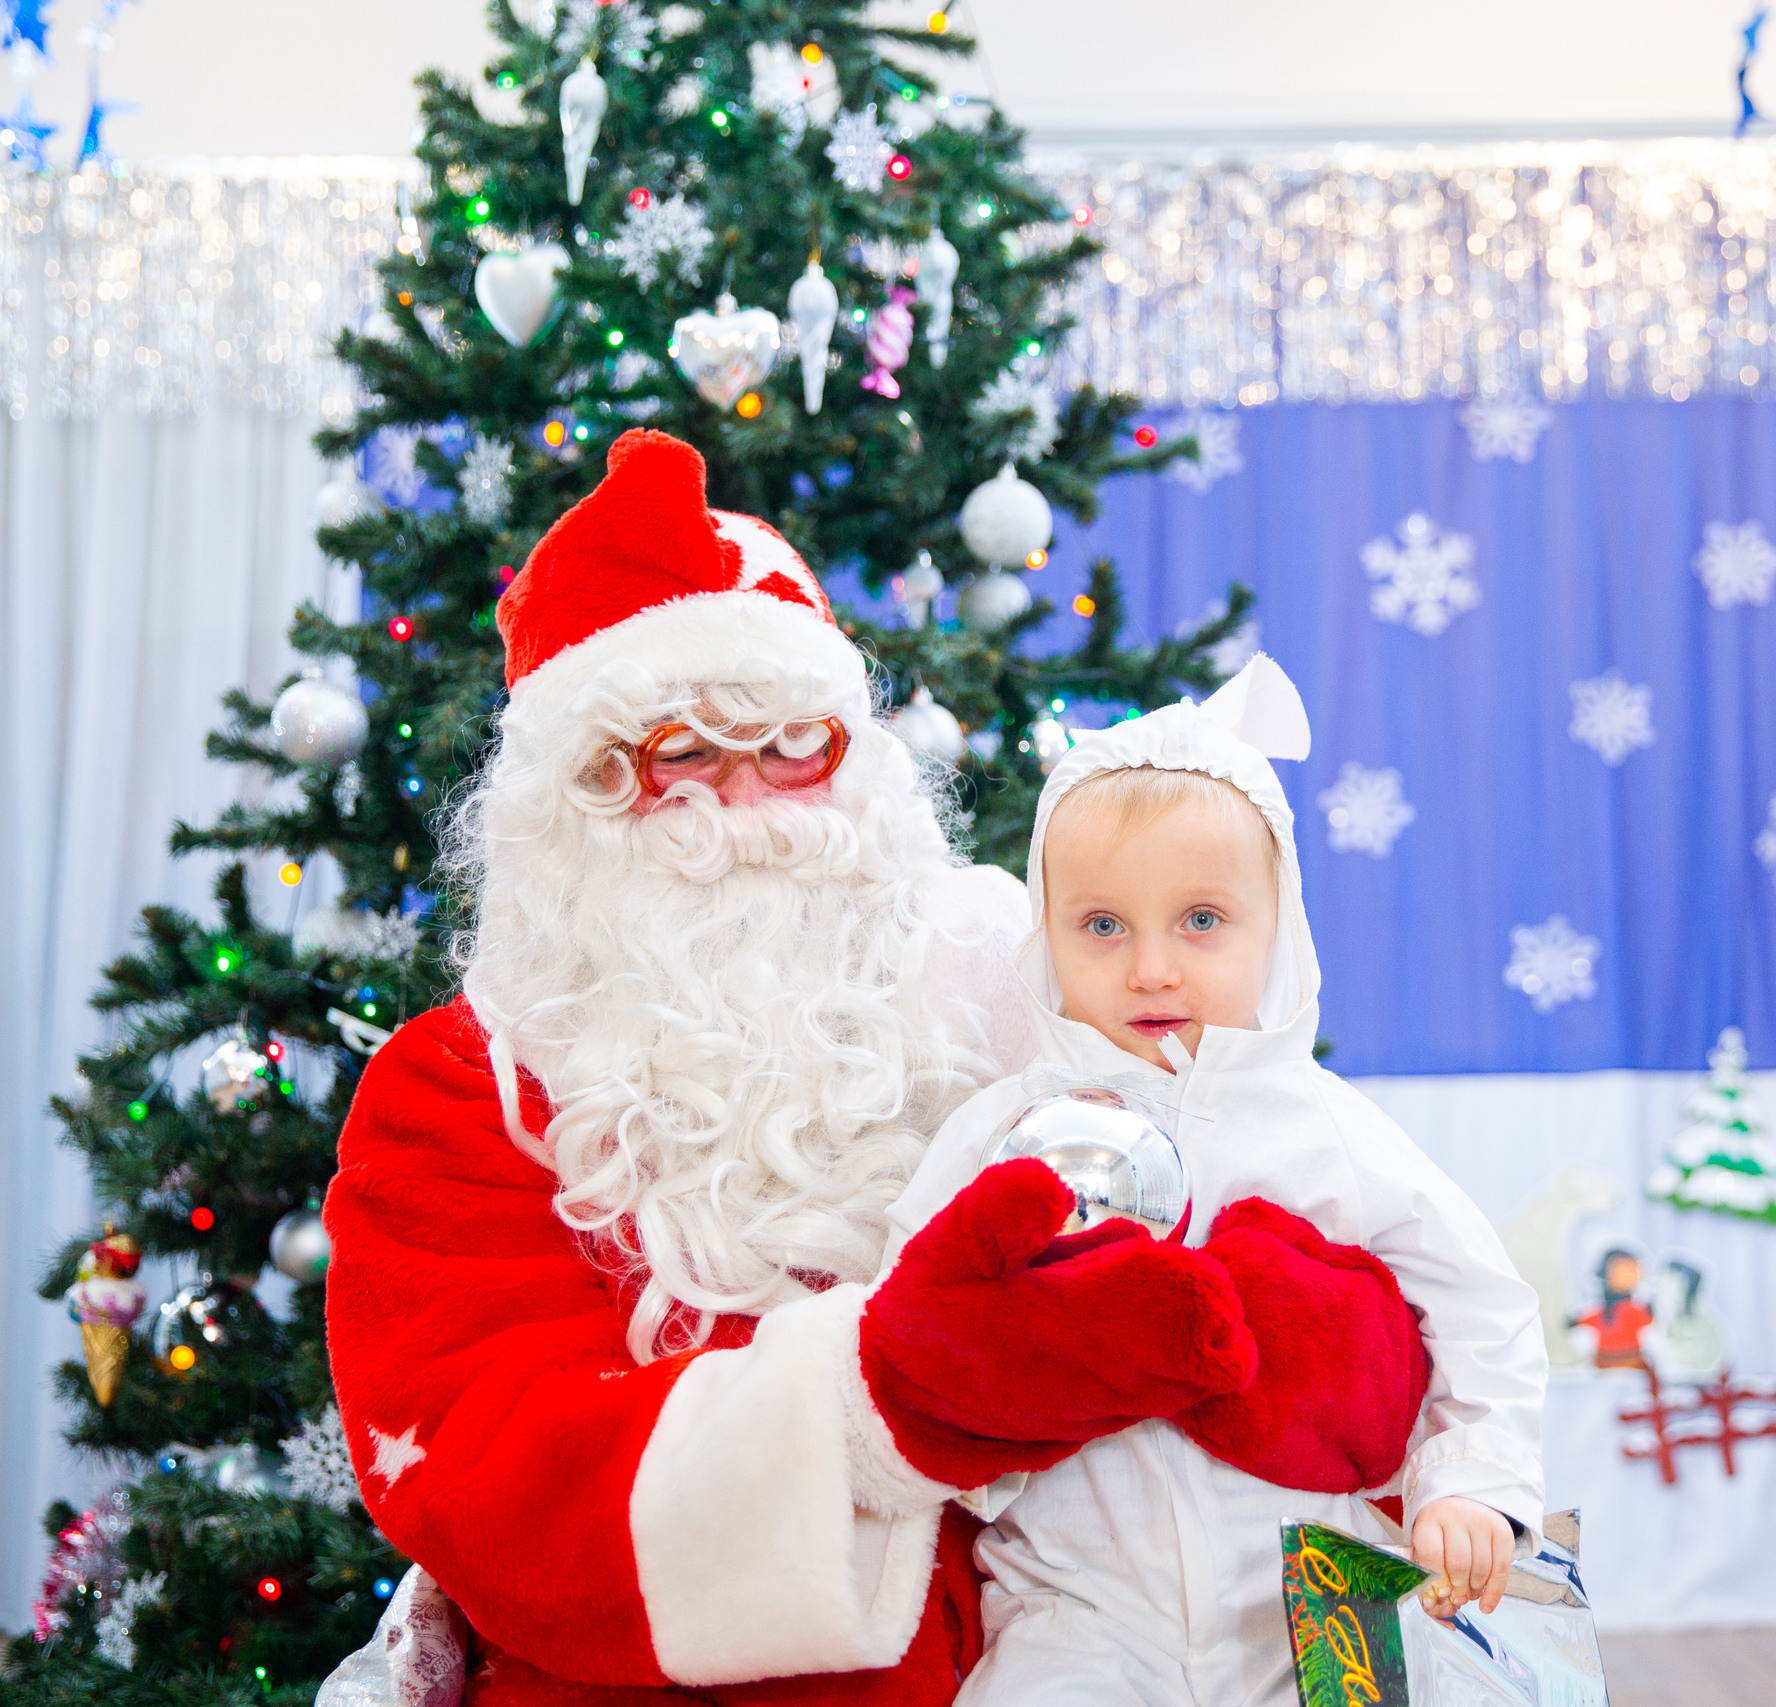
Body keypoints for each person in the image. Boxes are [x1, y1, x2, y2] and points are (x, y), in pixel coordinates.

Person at [320, 429, 1434, 1706]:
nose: (743, 800)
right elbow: (495, 1487)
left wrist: (1227, 1320)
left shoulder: (1015, 984)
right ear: (568, 797)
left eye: (793, 740)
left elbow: (1364, 1322)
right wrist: (889, 1394)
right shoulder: (463, 1086)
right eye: (677, 752)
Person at [882, 655, 1548, 1706]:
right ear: (1047, 940)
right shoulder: (1004, 1133)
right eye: (1103, 927)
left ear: (1274, 925)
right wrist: (1001, 1421)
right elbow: (915, 1322)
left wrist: (1469, 1482)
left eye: (1200, 921)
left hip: (1315, 1596)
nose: (1152, 968)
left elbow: (1481, 1306)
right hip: (1076, 1601)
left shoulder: (1330, 1130)